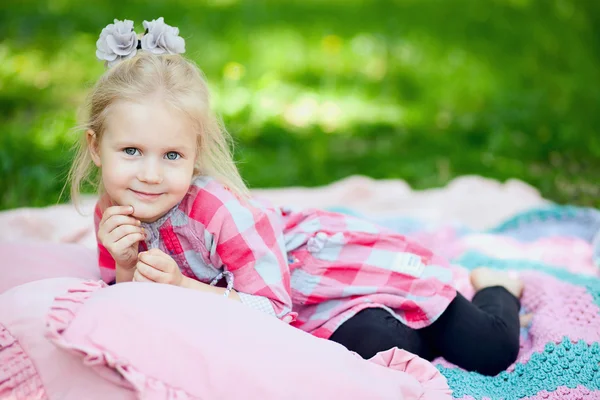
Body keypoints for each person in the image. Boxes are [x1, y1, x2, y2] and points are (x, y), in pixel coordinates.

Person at [68, 17, 523, 376]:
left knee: (490, 350)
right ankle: (402, 329)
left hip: (321, 275)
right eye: (131, 151)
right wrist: (126, 264)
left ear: (195, 153)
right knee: (379, 350)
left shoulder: (219, 211)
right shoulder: (113, 210)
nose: (149, 174)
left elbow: (269, 309)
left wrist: (181, 286)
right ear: (95, 147)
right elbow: (124, 298)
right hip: (306, 315)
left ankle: (496, 284)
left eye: (171, 155)